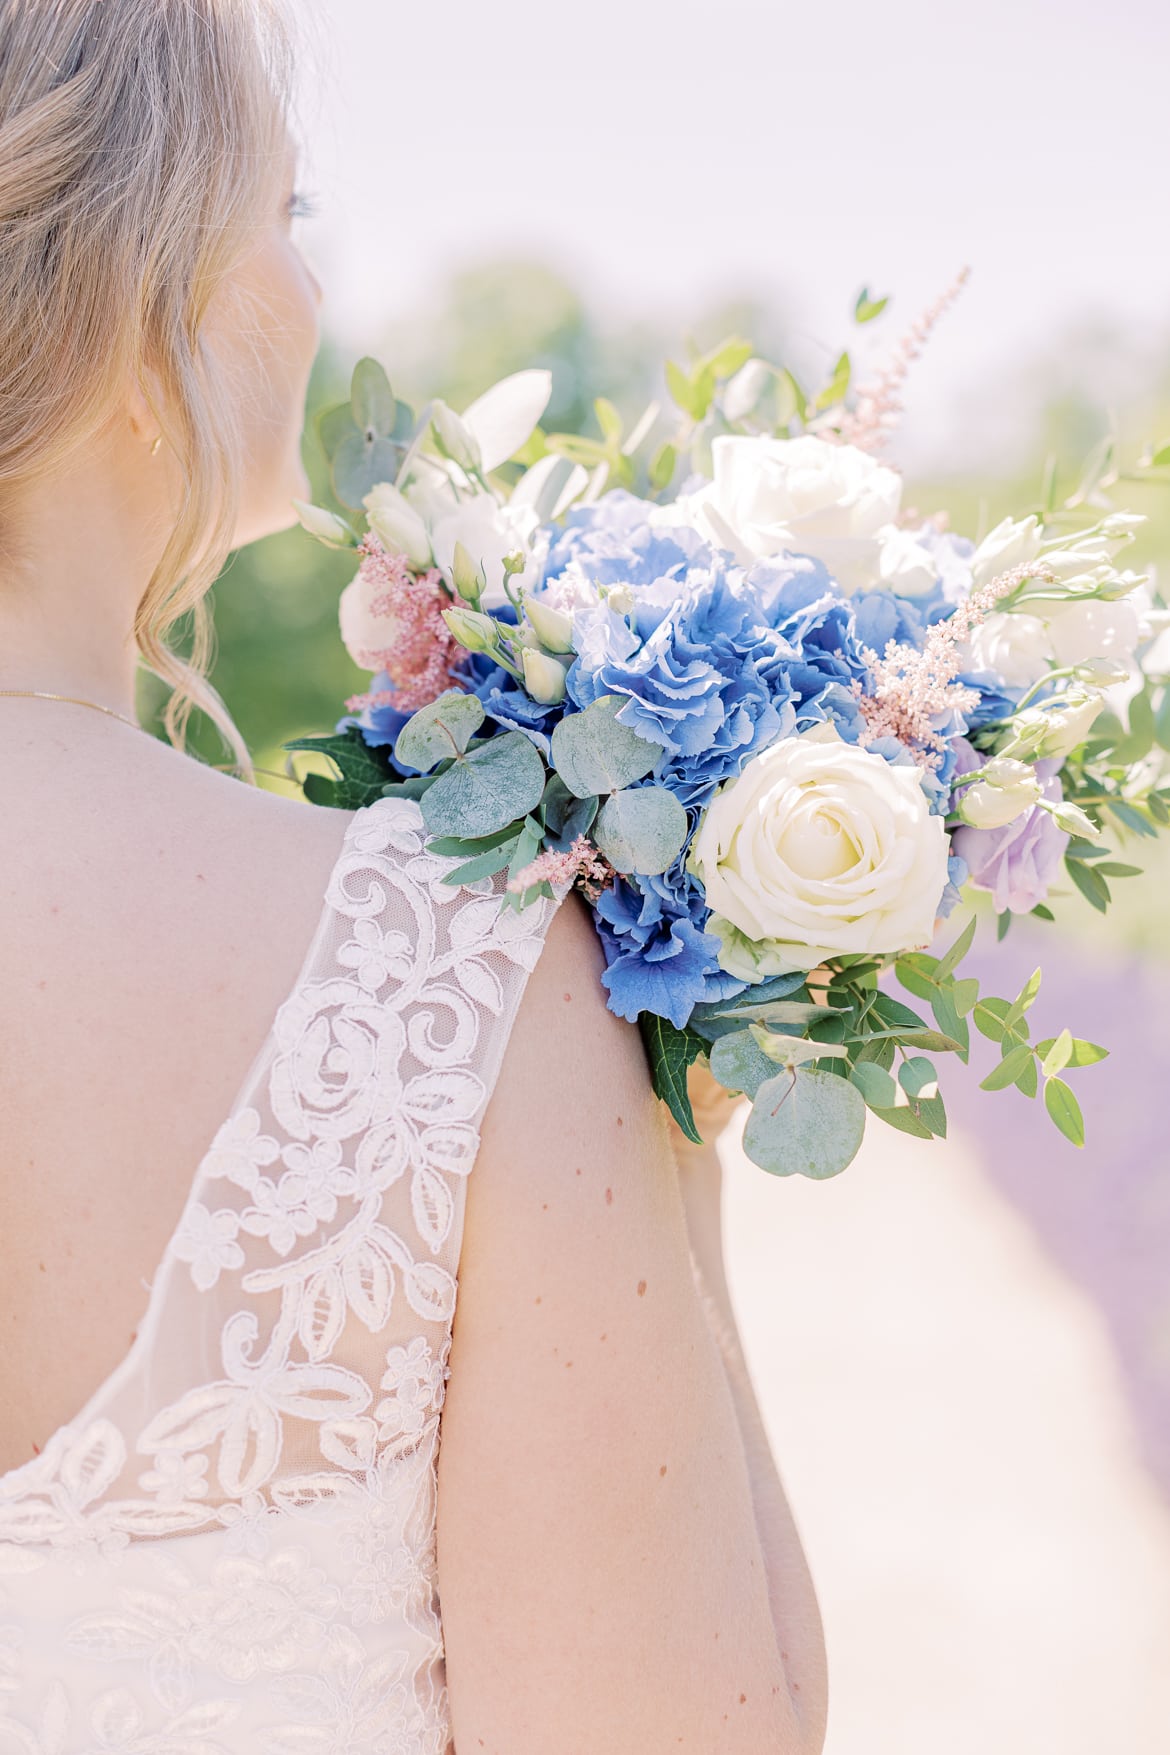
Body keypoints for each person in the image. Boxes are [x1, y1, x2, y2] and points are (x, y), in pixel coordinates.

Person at [0, 2, 827, 1749]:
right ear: (133, 300)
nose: (312, 292)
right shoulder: (448, 975)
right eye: (284, 216)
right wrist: (672, 1141)